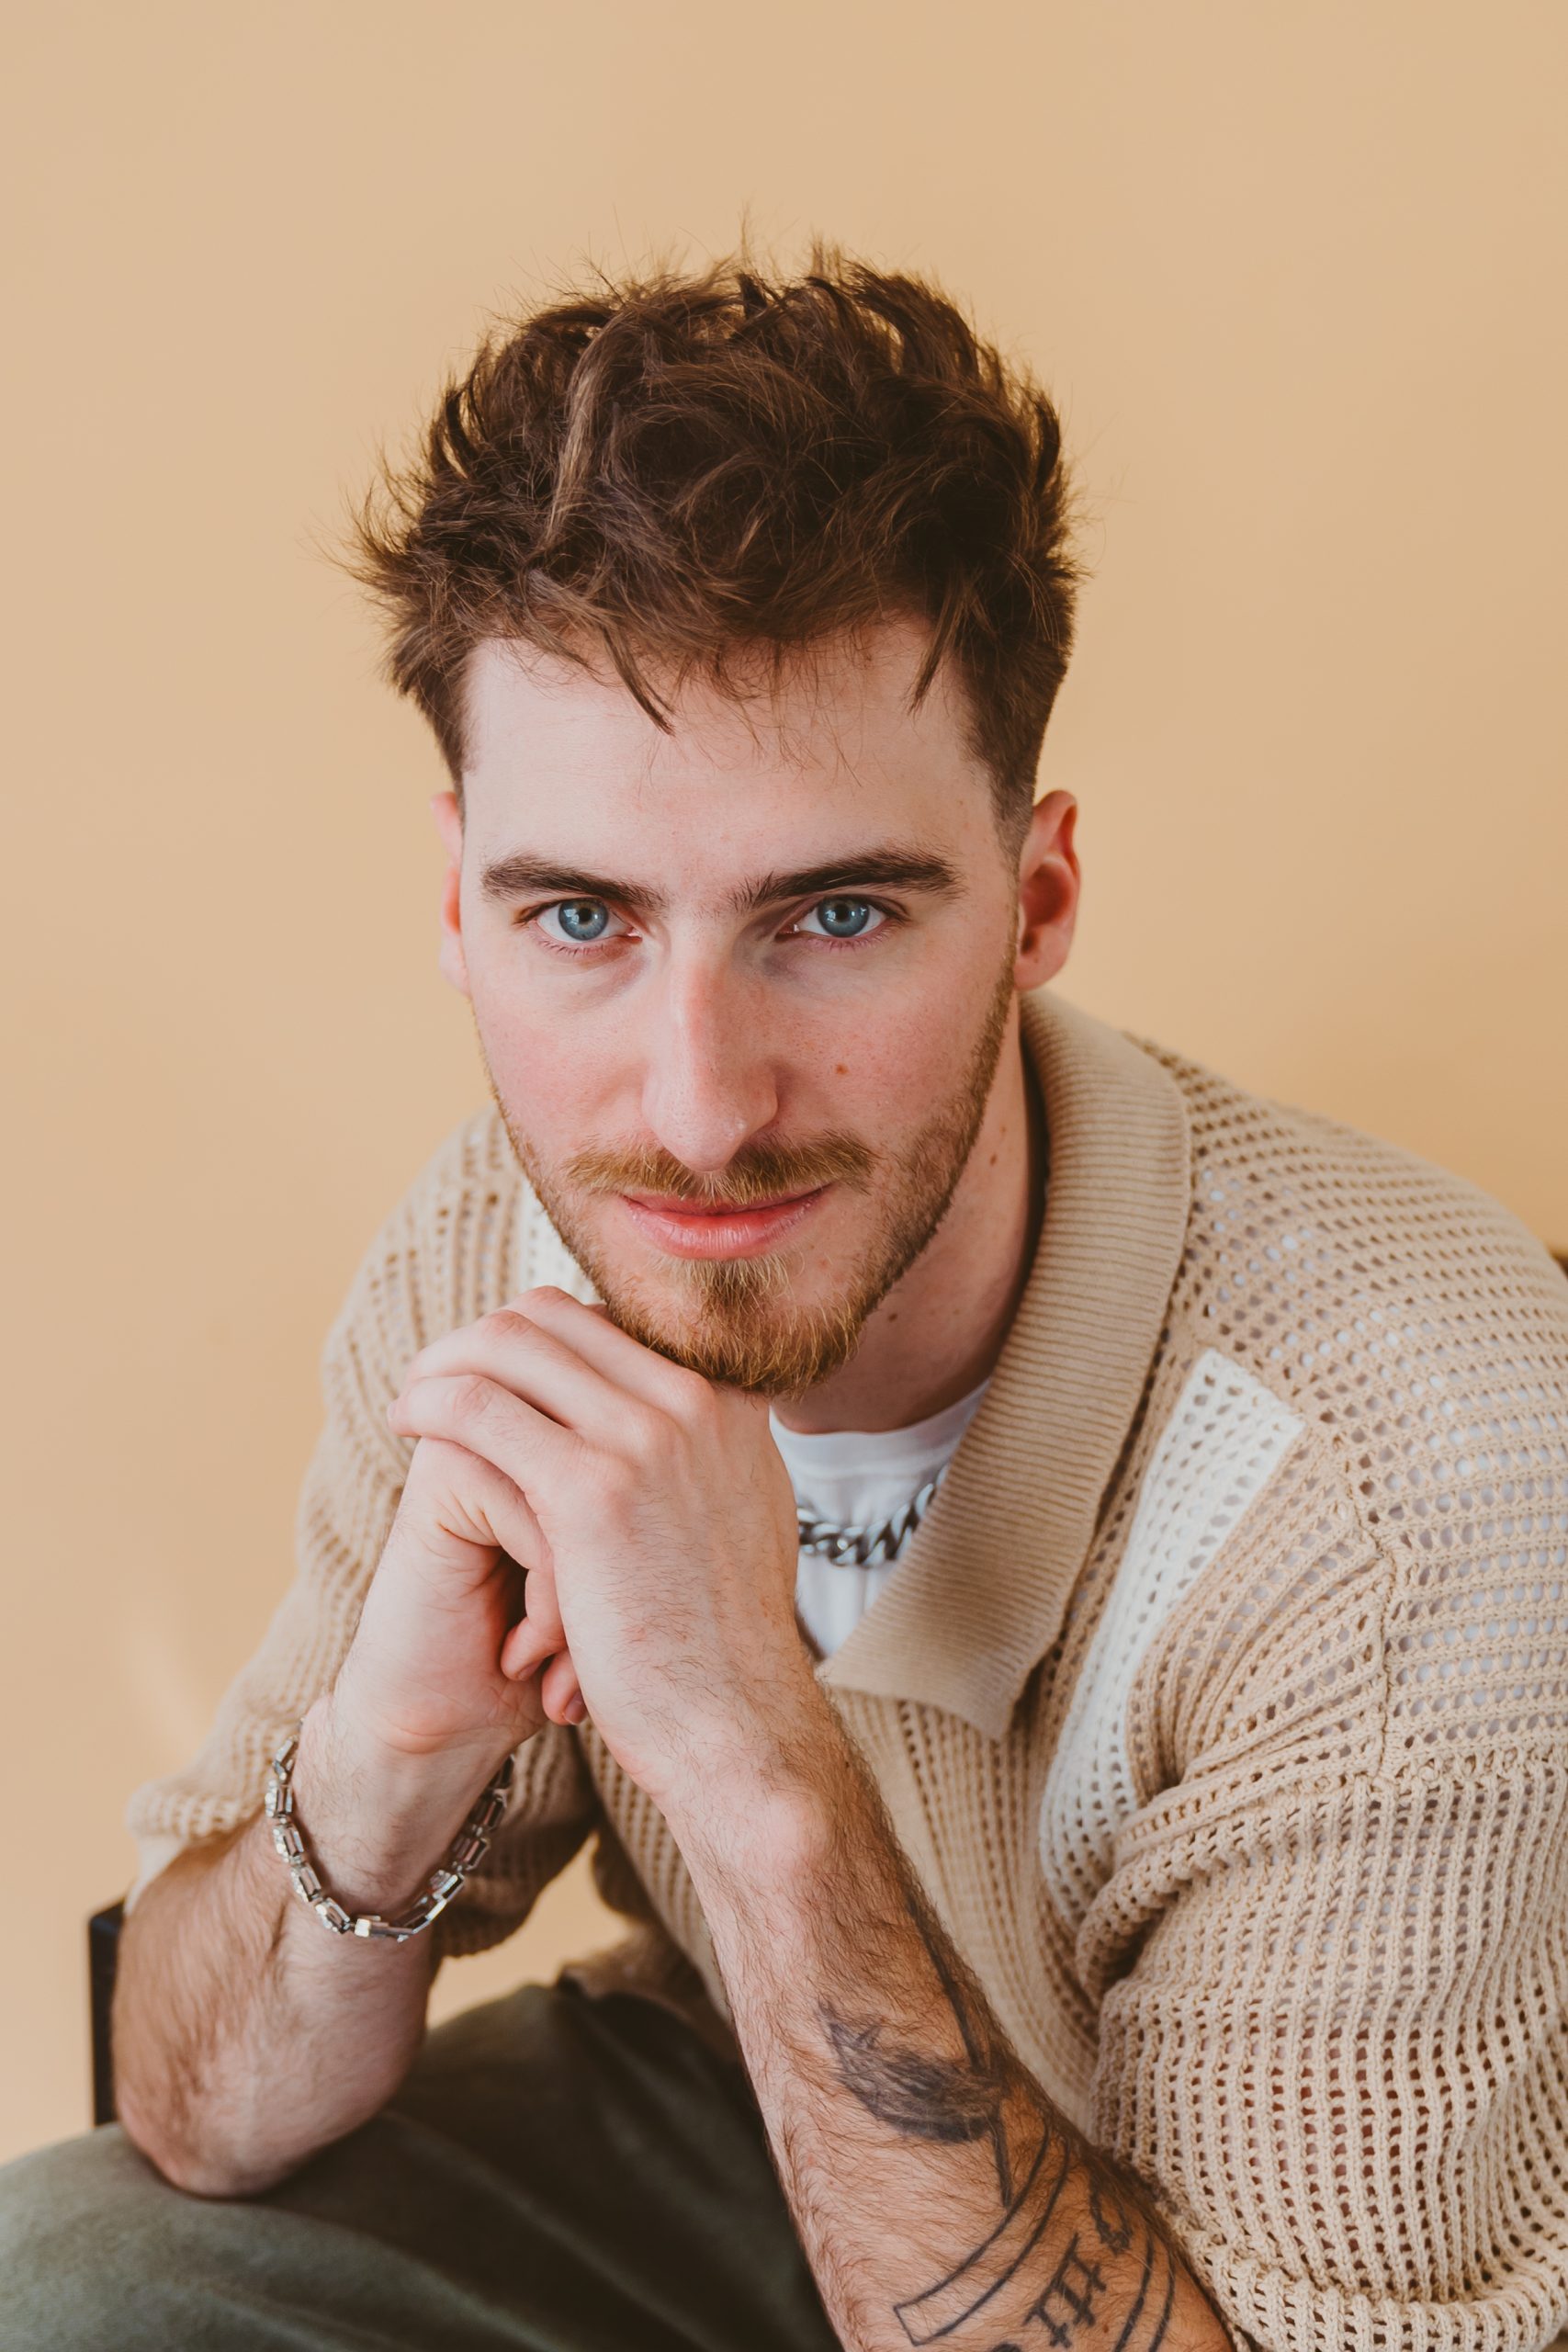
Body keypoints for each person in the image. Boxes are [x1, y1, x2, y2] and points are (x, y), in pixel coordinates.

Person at [4, 248, 1567, 2352]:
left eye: (831, 914)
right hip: (744, 2104)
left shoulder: (1412, 1468)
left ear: (1034, 897)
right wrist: (387, 1752)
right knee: (63, 2280)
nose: (696, 1110)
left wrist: (749, 1755)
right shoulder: (498, 1245)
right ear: (457, 901)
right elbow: (192, 2116)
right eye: (581, 917)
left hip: (1228, 2268)